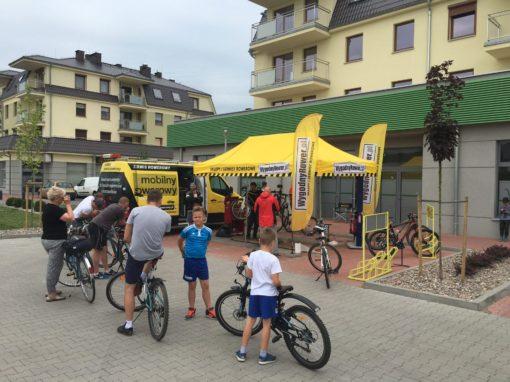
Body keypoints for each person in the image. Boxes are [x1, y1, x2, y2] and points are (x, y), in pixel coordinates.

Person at [117, 189, 172, 336]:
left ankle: (128, 326)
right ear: (160, 200)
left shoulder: (135, 211)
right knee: (152, 256)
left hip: (137, 254)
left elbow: (127, 237)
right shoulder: (166, 216)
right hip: (156, 252)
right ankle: (143, 276)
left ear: (147, 199)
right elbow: (161, 234)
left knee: (129, 288)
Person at [235, 228, 282, 365]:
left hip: (255, 293)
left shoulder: (253, 256)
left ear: (260, 241)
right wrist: (279, 285)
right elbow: (275, 280)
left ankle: (242, 352)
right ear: (273, 243)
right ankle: (263, 355)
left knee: (250, 321)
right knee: (266, 323)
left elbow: (249, 275)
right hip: (268, 295)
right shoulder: (274, 259)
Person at [178, 206, 216, 319]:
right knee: (192, 285)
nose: (197, 219)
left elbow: (207, 242)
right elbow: (179, 241)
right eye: (195, 217)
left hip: (202, 261)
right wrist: (182, 251)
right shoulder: (187, 230)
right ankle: (191, 308)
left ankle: (209, 309)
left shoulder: (208, 231)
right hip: (190, 261)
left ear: (204, 218)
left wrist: (201, 251)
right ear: (192, 218)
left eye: (199, 217)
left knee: (205, 285)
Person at [41, 187, 75, 302]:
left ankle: (52, 289)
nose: (63, 199)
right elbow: (71, 218)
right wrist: (69, 204)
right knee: (53, 268)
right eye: (62, 197)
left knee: (57, 265)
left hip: (47, 240)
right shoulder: (55, 210)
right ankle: (51, 294)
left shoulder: (48, 207)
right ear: (57, 198)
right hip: (55, 242)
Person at [88, 196, 130, 278]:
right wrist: (129, 219)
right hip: (98, 227)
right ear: (125, 203)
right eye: (127, 205)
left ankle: (107, 270)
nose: (127, 206)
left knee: (103, 249)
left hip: (98, 227)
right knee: (97, 250)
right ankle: (95, 273)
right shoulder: (120, 209)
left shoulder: (114, 205)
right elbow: (122, 223)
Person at [254, 186, 280, 256]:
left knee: (262, 236)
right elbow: (278, 208)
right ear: (269, 192)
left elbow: (255, 209)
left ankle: (263, 251)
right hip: (271, 221)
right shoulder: (273, 199)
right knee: (274, 236)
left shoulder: (258, 199)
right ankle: (275, 252)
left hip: (262, 221)